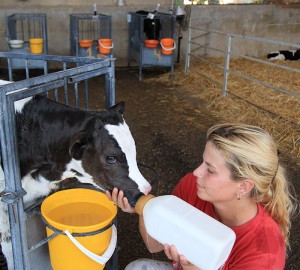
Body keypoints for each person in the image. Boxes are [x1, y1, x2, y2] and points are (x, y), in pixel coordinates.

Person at [106, 123, 298, 270]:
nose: (197, 172)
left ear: (244, 186)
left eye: (210, 170)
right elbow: (154, 245)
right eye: (202, 162)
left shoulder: (263, 253)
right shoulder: (193, 187)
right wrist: (142, 209)